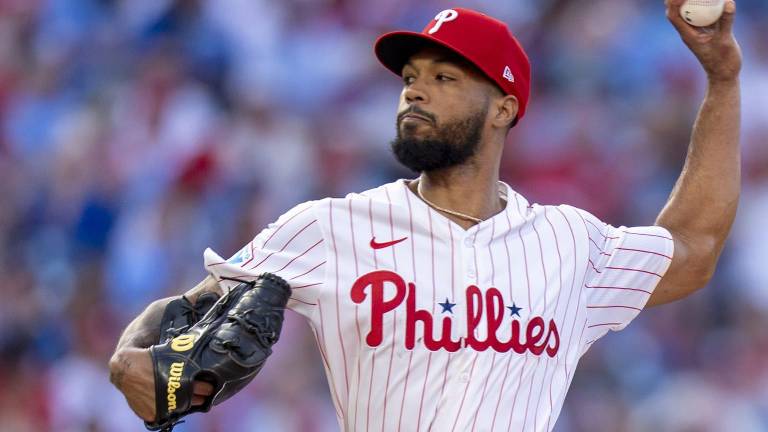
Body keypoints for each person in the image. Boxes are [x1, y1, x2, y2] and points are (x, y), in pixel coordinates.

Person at [109, 1, 742, 430]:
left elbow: (693, 246)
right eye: (411, 76)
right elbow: (185, 313)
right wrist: (129, 360)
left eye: (445, 77)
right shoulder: (329, 226)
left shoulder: (569, 243)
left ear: (503, 108)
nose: (414, 89)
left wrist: (722, 81)